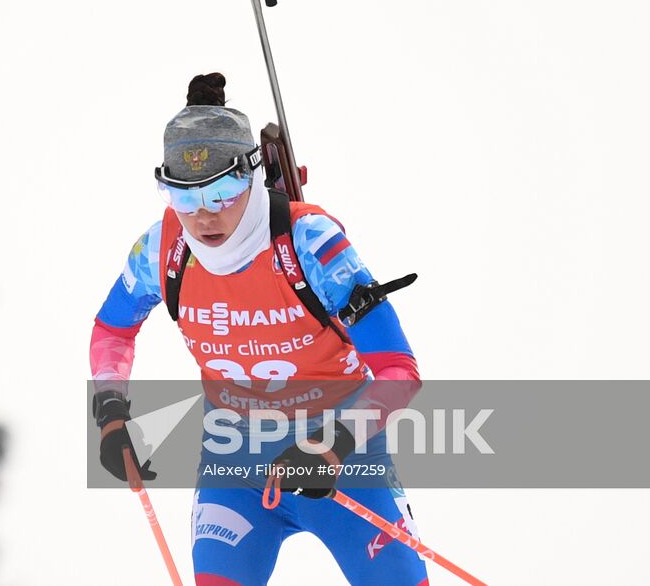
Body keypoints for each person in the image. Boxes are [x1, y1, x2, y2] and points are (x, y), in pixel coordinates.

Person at [89, 73, 429, 586]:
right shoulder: (161, 251)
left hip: (346, 468)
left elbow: (398, 370)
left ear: (250, 176)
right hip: (235, 468)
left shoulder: (309, 241)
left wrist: (334, 443)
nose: (203, 215)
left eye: (221, 192)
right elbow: (112, 331)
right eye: (183, 197)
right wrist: (112, 419)